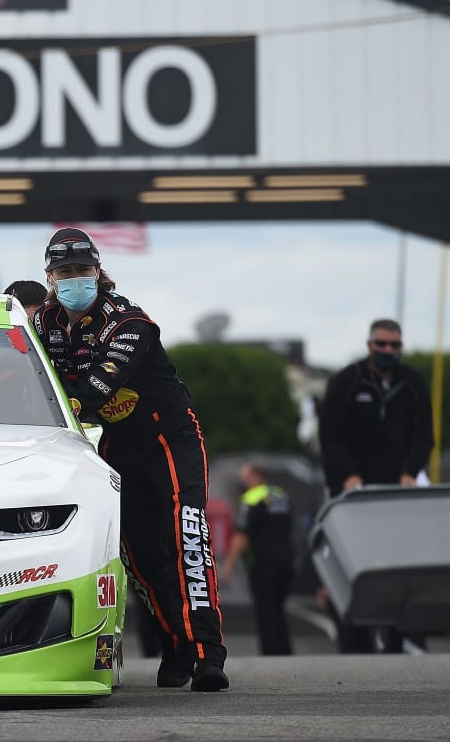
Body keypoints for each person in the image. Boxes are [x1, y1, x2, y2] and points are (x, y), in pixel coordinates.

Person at [34, 227, 229, 691]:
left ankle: (207, 653)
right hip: (115, 445)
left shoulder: (129, 322)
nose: (74, 279)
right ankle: (176, 644)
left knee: (186, 536)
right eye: (64, 272)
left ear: (99, 273)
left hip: (169, 438)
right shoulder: (43, 323)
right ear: (50, 277)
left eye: (82, 270)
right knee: (137, 554)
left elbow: (91, 391)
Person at [318, 318, 433, 653]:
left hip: (398, 494)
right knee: (353, 563)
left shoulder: (412, 382)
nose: (388, 351)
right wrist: (347, 476)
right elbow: (331, 435)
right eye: (381, 344)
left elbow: (425, 434)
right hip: (354, 494)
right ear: (370, 345)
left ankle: (402, 637)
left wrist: (410, 471)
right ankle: (353, 641)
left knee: (402, 567)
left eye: (394, 345)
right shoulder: (347, 381)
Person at [219, 462, 295, 655]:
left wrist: (228, 566)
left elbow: (241, 535)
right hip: (286, 559)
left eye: (245, 477)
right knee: (279, 609)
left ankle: (271, 654)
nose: (242, 482)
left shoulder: (252, 498)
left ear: (255, 477)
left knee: (266, 611)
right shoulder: (280, 494)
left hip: (263, 563)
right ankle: (285, 651)